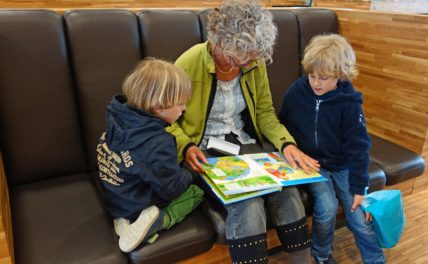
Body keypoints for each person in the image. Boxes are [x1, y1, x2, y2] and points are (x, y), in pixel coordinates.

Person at [168, 0, 320, 263]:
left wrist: (287, 144)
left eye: (253, 54)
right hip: (204, 149)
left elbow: (264, 112)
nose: (248, 61)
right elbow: (165, 118)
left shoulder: (253, 62)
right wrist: (186, 146)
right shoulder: (188, 63)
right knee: (248, 202)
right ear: (221, 41)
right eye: (241, 55)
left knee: (286, 191)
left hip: (242, 143)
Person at [279, 34, 385, 264]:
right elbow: (281, 125)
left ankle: (375, 259)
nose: (316, 83)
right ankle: (322, 255)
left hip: (343, 165)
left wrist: (360, 188)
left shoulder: (349, 102)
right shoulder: (297, 91)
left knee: (360, 217)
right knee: (326, 208)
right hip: (312, 165)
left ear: (340, 74)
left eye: (324, 78)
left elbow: (359, 147)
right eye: (312, 76)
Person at [96, 58, 204, 253]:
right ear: (158, 107)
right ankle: (160, 219)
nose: (184, 109)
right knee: (196, 193)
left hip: (116, 198)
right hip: (138, 202)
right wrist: (190, 172)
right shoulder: (156, 144)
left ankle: (122, 221)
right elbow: (171, 189)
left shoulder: (117, 115)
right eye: (180, 104)